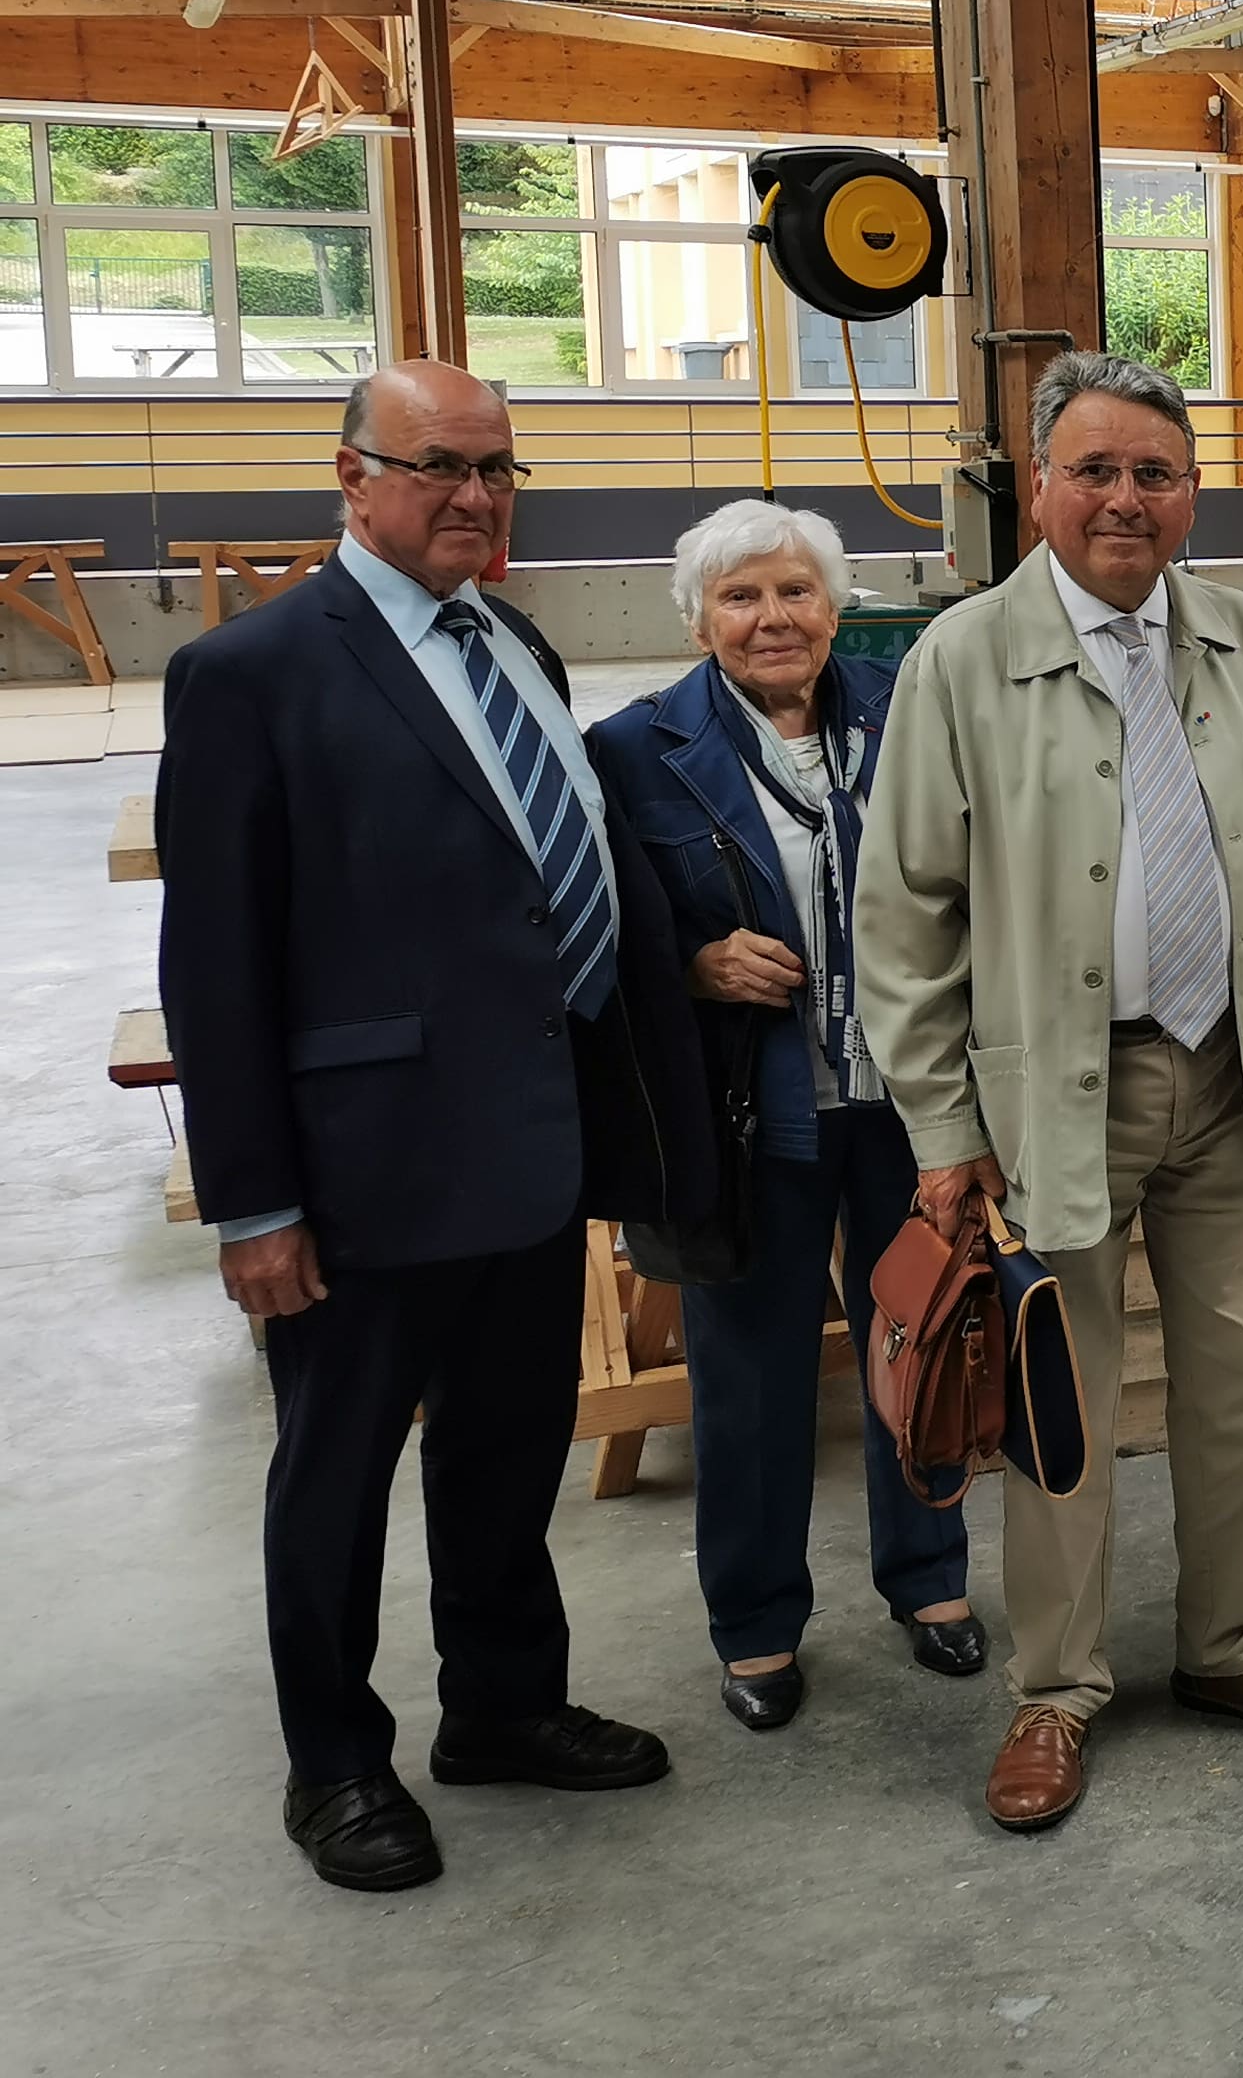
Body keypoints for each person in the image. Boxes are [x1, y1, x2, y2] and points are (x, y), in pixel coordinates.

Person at [158, 362, 711, 1894]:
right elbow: (216, 963)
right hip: (362, 1171)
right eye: (439, 466)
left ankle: (504, 1706)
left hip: (526, 1145)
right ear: (352, 477)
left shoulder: (511, 641)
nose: (475, 494)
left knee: (505, 1450)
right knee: (336, 1478)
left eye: (497, 467)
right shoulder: (252, 673)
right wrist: (254, 1204)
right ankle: (336, 1764)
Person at [856, 352, 1243, 1835]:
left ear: (1194, 492)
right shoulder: (964, 661)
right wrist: (943, 1129)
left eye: (1156, 473)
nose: (1125, 499)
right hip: (1051, 1097)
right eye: (1094, 470)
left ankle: (1234, 1646)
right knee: (1057, 1404)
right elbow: (905, 920)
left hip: (1232, 1076)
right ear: (1040, 487)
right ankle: (1057, 1689)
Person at [587, 500, 982, 1728]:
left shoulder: (910, 708)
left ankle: (929, 1578)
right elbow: (608, 931)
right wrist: (696, 965)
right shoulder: (635, 749)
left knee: (922, 1341)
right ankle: (756, 1626)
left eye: (796, 592)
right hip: (754, 1113)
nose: (773, 619)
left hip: (906, 1102)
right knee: (750, 1378)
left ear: (835, 605)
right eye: (742, 597)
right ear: (698, 618)